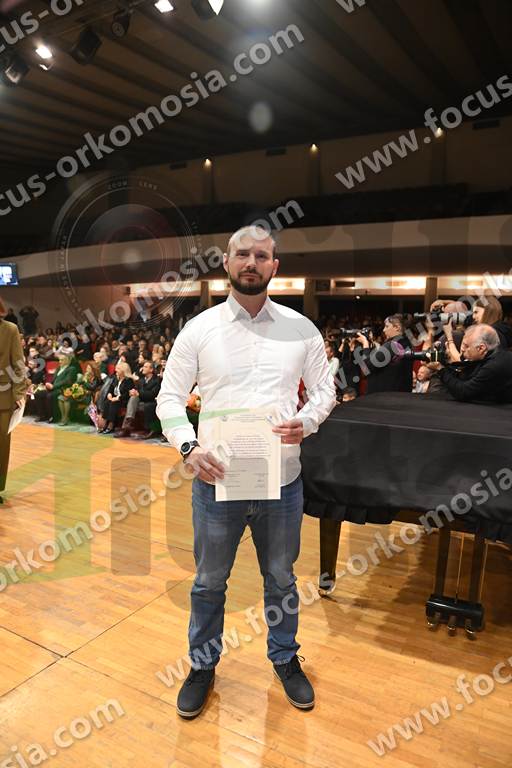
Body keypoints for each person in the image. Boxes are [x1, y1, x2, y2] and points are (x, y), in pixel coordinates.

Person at [157, 225, 336, 719]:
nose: (251, 262)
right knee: (208, 582)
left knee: (281, 579)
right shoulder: (199, 329)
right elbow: (169, 398)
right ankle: (202, 665)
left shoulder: (301, 329)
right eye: (242, 254)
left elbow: (325, 391)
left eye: (261, 255)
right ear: (227, 262)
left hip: (282, 482)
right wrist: (188, 447)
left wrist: (308, 421)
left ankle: (284, 657)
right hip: (217, 482)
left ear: (275, 266)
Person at [431, 324, 512, 403]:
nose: (462, 349)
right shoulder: (489, 356)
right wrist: (445, 363)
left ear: (481, 348)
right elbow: (464, 378)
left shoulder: (494, 365)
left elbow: (463, 392)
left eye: (466, 346)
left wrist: (440, 369)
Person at [0, 298, 28, 504]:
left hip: (3, 396)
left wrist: (19, 393)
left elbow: (18, 364)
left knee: (1, 446)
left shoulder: (10, 329)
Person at [355, 315, 413, 394]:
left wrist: (365, 344)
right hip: (399, 394)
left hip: (384, 396)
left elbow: (366, 367)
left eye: (387, 326)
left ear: (397, 327)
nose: (384, 330)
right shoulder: (406, 342)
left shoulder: (392, 345)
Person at [114, 360, 161, 439]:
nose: (143, 368)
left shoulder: (157, 380)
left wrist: (138, 393)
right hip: (140, 401)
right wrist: (132, 392)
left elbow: (153, 394)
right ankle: (127, 424)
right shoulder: (141, 380)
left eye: (145, 367)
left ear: (151, 370)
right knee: (133, 397)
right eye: (143, 366)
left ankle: (128, 426)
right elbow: (136, 389)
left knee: (144, 405)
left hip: (151, 401)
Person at [34, 354, 77, 423]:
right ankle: (42, 415)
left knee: (49, 396)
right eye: (59, 360)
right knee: (38, 394)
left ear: (67, 361)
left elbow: (67, 381)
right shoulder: (58, 368)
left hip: (63, 389)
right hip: (54, 388)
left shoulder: (72, 369)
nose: (60, 361)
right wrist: (48, 385)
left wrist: (54, 386)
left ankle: (52, 417)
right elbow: (54, 380)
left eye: (62, 360)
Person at [100, 361, 134, 434]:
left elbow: (127, 394)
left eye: (118, 369)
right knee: (107, 402)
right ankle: (105, 423)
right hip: (114, 398)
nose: (116, 370)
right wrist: (109, 394)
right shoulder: (116, 379)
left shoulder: (129, 381)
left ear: (123, 370)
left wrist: (118, 398)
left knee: (114, 403)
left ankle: (111, 425)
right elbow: (111, 388)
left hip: (124, 400)